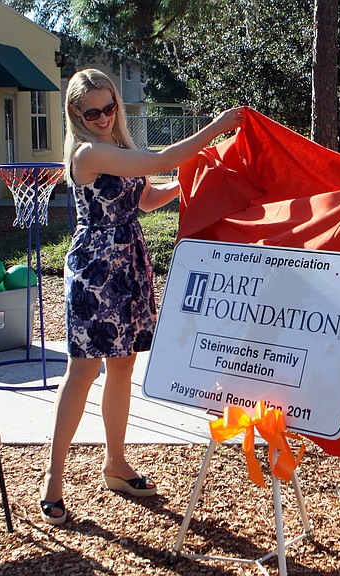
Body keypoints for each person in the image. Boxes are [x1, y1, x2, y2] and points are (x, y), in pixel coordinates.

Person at [39, 68, 244, 525]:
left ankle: (116, 463)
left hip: (128, 266)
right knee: (82, 371)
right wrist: (215, 128)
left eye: (110, 107)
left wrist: (194, 180)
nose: (104, 117)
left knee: (124, 365)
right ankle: (53, 480)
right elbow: (159, 161)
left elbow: (147, 197)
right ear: (75, 112)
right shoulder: (89, 152)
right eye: (92, 111)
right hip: (96, 271)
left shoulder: (119, 147)